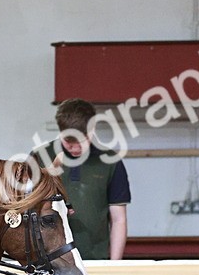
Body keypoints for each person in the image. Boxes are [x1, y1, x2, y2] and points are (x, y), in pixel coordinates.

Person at [30, 98, 130, 260]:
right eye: (69, 143)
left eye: (82, 142)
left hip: (94, 259)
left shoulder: (110, 161)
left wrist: (114, 265)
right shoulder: (39, 157)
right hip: (49, 262)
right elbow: (25, 210)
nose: (76, 148)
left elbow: (118, 219)